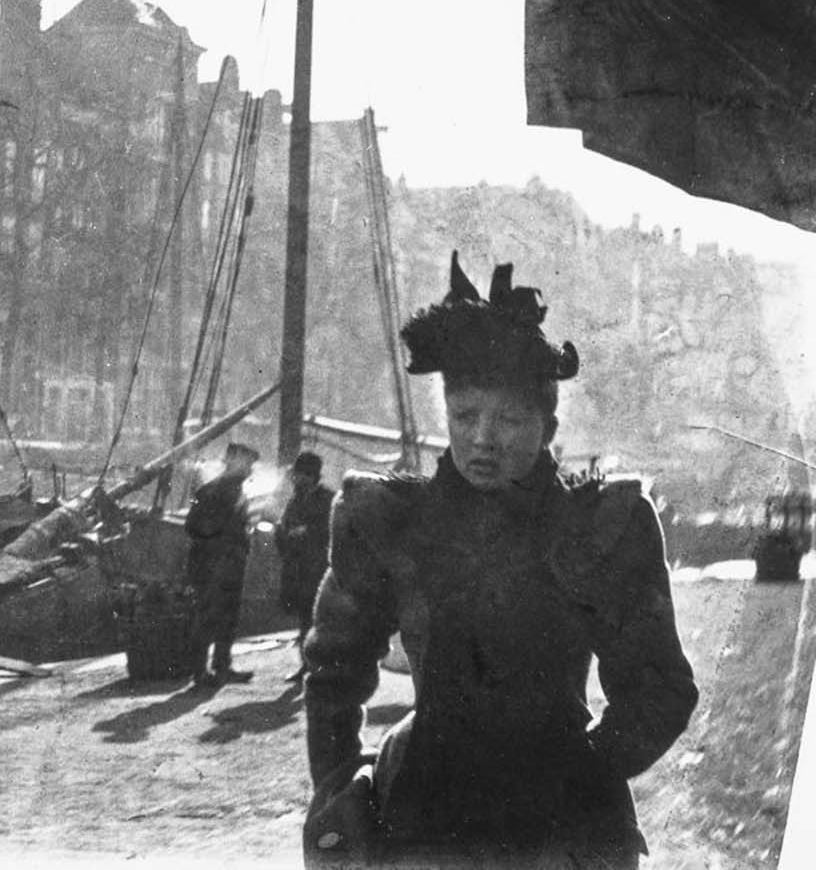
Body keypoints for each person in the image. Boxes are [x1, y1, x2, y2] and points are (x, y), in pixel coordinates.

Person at [303, 253, 697, 868]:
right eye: (465, 416)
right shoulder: (392, 522)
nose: (484, 437)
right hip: (420, 827)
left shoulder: (600, 529)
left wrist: (589, 769)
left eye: (510, 418)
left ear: (547, 427)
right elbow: (333, 669)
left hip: (560, 831)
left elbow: (662, 688)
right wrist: (337, 791)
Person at [184, 441, 260, 686]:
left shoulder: (237, 492)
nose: (250, 470)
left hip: (230, 566)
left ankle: (221, 666)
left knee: (228, 617)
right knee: (207, 616)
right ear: (234, 464)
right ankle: (199, 671)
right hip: (212, 567)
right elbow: (193, 526)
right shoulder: (210, 492)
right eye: (247, 464)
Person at [276, 450, 334, 684]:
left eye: (301, 476)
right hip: (298, 569)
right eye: (295, 475)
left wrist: (307, 532)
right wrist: (282, 534)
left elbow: (333, 532)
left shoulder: (329, 499)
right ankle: (306, 666)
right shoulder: (295, 499)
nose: (296, 480)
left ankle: (321, 668)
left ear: (312, 476)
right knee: (304, 621)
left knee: (321, 621)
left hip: (319, 570)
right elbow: (285, 526)